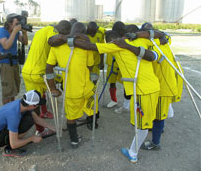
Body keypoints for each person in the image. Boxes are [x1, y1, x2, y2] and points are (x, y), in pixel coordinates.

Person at [49, 29, 168, 162]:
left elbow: (89, 46)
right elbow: (162, 38)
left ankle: (133, 154)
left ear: (111, 40)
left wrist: (64, 38)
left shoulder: (116, 45)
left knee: (141, 125)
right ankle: (154, 140)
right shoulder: (140, 40)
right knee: (148, 120)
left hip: (141, 91)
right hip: (154, 86)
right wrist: (138, 35)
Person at [46, 22, 99, 148]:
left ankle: (74, 140)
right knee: (92, 103)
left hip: (70, 90)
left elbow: (49, 68)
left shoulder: (56, 47)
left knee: (71, 116)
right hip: (87, 88)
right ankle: (92, 123)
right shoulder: (86, 46)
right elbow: (90, 66)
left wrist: (52, 88)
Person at [127, 28, 180, 150]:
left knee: (159, 117)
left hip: (163, 88)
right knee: (157, 115)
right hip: (159, 86)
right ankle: (156, 130)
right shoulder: (162, 40)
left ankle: (156, 143)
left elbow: (151, 56)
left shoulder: (157, 46)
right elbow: (165, 36)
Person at [22, 20, 71, 135]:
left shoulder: (40, 31)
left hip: (27, 71)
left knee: (35, 101)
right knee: (64, 79)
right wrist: (71, 37)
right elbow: (53, 41)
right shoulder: (52, 30)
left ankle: (40, 130)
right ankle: (71, 118)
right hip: (39, 73)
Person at [0, 90, 56, 157]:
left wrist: (55, 129)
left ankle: (15, 140)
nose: (37, 106)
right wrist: (31, 138)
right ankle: (9, 148)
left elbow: (37, 119)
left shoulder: (21, 104)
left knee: (30, 117)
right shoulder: (14, 115)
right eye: (37, 105)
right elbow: (14, 144)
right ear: (32, 105)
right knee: (27, 121)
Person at [0, 13, 28, 105]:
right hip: (5, 63)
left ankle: (11, 108)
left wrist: (24, 33)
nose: (18, 25)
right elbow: (6, 46)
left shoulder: (16, 32)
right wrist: (14, 32)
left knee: (14, 89)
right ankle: (6, 111)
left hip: (14, 62)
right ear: (9, 23)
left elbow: (25, 42)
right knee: (7, 91)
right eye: (16, 23)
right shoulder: (1, 31)